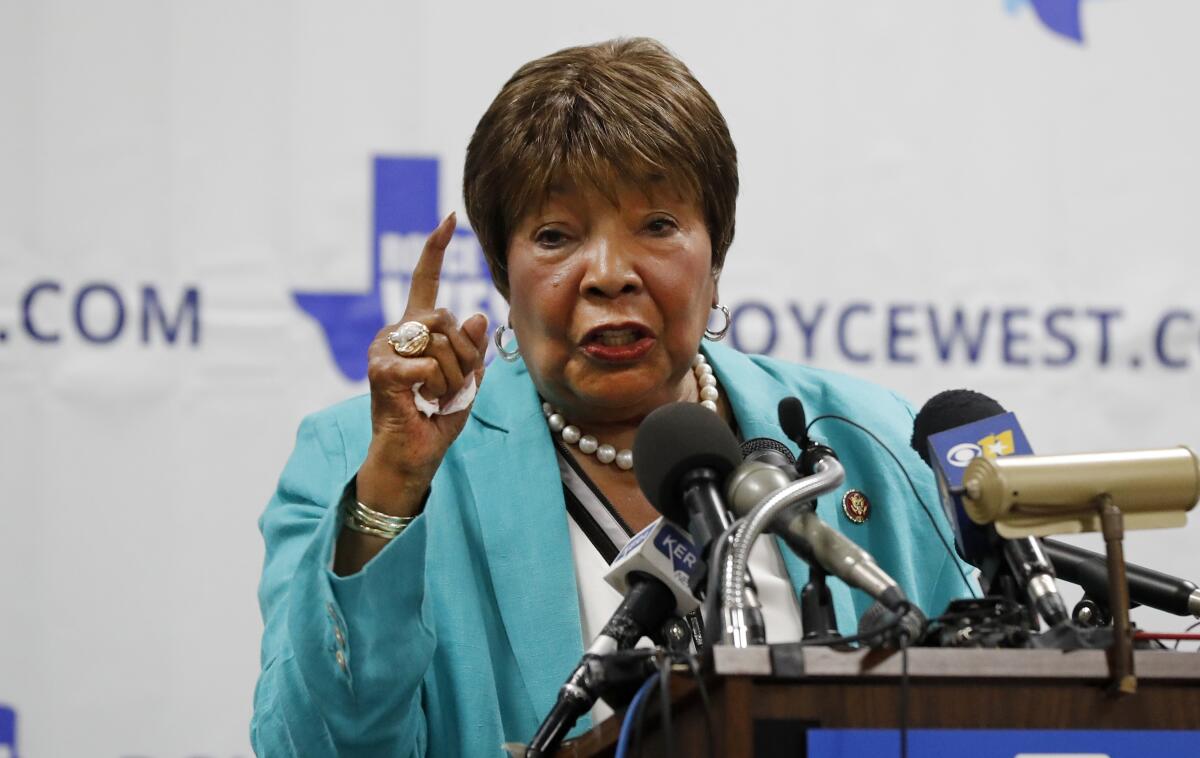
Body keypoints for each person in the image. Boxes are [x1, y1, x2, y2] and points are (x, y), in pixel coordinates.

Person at [252, 38, 974, 756]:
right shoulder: (361, 461)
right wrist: (395, 488)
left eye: (657, 225)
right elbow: (313, 746)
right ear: (506, 275)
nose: (608, 273)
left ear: (715, 256)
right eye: (557, 235)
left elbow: (986, 705)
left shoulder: (865, 440)